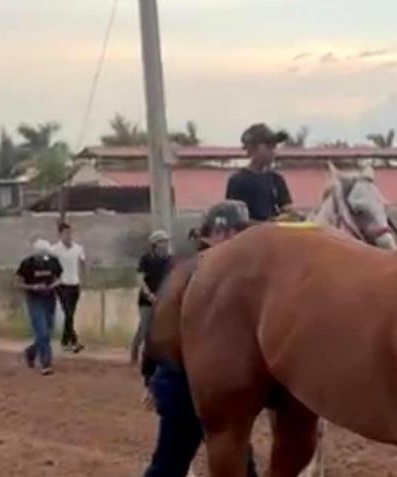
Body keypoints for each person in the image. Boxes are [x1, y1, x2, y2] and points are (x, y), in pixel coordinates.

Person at [140, 202, 257, 477]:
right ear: (219, 232)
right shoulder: (188, 269)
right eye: (237, 232)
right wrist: (151, 377)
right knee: (169, 465)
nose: (242, 239)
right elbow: (159, 325)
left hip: (220, 388)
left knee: (239, 462)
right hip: (183, 383)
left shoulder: (238, 272)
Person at [226, 123, 297, 222]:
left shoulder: (276, 179)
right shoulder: (237, 181)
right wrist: (269, 224)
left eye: (274, 147)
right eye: (268, 147)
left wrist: (293, 215)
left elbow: (287, 207)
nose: (273, 152)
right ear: (251, 149)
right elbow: (236, 220)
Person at [15, 239, 63, 376]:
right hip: (34, 299)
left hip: (49, 298)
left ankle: (31, 352)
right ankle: (46, 364)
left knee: (49, 330)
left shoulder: (53, 262)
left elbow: (59, 278)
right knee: (42, 332)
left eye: (45, 254)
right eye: (41, 255)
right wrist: (33, 287)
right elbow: (17, 283)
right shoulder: (27, 264)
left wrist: (55, 284)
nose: (44, 258)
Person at [130, 230, 173, 364]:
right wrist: (149, 294)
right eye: (162, 242)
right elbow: (140, 279)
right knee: (144, 328)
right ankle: (134, 355)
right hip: (146, 301)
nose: (165, 245)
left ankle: (156, 358)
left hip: (163, 300)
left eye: (166, 242)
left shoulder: (169, 260)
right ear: (154, 244)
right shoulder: (146, 259)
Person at [51, 222, 86, 353]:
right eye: (66, 233)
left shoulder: (78, 248)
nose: (69, 235)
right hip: (62, 284)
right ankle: (74, 341)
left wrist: (84, 278)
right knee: (68, 312)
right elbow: (50, 266)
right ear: (60, 234)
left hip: (74, 283)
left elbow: (83, 263)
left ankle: (65, 341)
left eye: (70, 233)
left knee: (71, 314)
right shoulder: (55, 250)